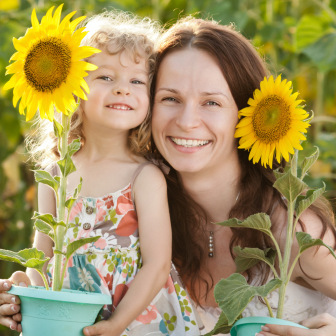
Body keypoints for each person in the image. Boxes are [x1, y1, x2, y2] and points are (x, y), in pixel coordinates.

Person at [0, 11, 202, 336]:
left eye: (136, 81)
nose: (123, 89)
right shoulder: (55, 175)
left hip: (135, 322)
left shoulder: (144, 177)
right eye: (105, 78)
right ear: (73, 90)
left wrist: (116, 324)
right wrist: (27, 287)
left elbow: (156, 264)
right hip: (67, 320)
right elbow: (42, 259)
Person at [150, 17, 336, 335]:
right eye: (170, 98)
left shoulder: (292, 229)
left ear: (249, 115)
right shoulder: (145, 213)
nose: (187, 121)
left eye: (211, 102)